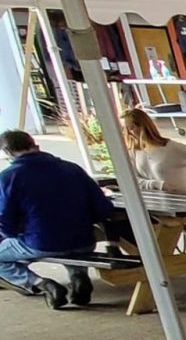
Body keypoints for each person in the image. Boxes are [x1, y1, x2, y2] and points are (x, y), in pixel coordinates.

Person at [0, 130, 114, 309]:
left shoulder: (8, 177)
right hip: (83, 239)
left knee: (8, 253)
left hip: (41, 241)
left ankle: (42, 284)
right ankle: (78, 277)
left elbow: (4, 219)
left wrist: (12, 235)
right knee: (70, 244)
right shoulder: (72, 168)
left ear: (7, 153)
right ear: (35, 145)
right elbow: (103, 208)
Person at [121, 108, 186, 195]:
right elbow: (133, 180)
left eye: (131, 127)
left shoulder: (173, 148)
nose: (129, 133)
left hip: (184, 205)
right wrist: (157, 185)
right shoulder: (134, 152)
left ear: (143, 126)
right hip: (155, 205)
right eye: (125, 129)